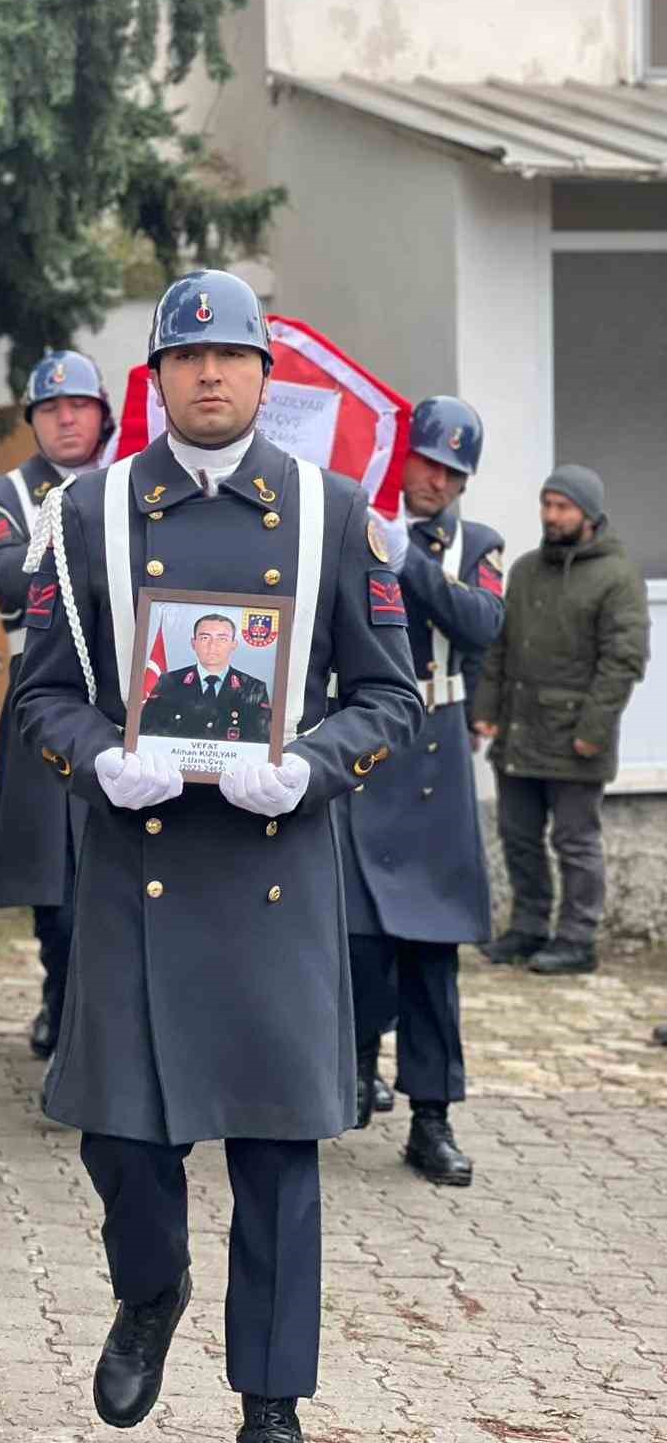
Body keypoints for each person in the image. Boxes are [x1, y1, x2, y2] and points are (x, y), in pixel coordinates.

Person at [11, 269, 423, 1443]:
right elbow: (43, 695)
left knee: (279, 1157)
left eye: (230, 358)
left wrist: (313, 764)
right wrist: (96, 760)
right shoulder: (86, 515)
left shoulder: (334, 511)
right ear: (155, 378)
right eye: (187, 359)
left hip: (275, 867)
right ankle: (150, 1291)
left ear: (261, 375)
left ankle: (271, 1399)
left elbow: (389, 695)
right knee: (121, 1141)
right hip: (137, 869)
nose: (208, 374)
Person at [334, 397, 504, 1187]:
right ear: (402, 455)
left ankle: (432, 1115)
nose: (437, 479)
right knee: (357, 939)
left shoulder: (476, 544)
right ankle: (353, 1070)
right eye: (429, 461)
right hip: (362, 744)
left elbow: (482, 623)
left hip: (432, 750)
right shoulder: (350, 521)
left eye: (453, 470)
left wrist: (410, 561)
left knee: (432, 952)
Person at [0, 350, 113, 1062]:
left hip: (119, 696)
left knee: (115, 865)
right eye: (51, 409)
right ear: (34, 421)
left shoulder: (135, 485)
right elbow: (4, 577)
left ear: (104, 415)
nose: (67, 418)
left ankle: (95, 1012)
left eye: (79, 405)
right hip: (42, 692)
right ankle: (60, 990)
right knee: (53, 880)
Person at [473, 465, 649, 976]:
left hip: (577, 739)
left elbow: (624, 659)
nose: (551, 516)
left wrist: (594, 731)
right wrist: (486, 711)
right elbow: (500, 647)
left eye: (563, 507)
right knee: (519, 835)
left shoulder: (618, 576)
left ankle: (577, 938)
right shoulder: (526, 569)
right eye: (547, 504)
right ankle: (528, 928)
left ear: (588, 514)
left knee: (575, 842)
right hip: (520, 733)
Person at [140, 613, 272, 743]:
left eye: (222, 639)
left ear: (234, 645)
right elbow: (146, 735)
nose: (213, 645)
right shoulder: (169, 682)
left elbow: (262, 743)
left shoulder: (254, 688)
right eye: (204, 638)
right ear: (193, 643)